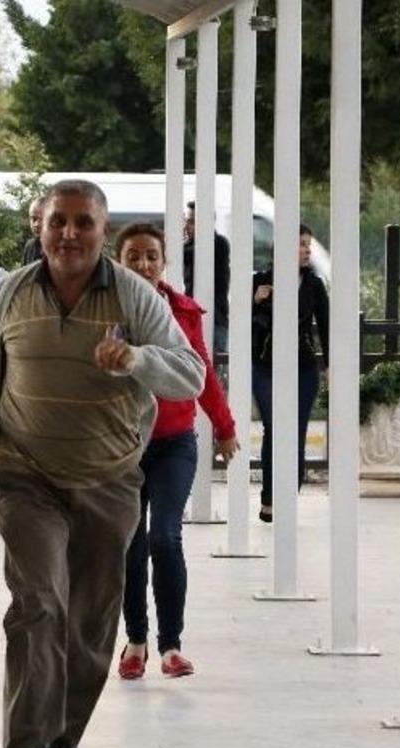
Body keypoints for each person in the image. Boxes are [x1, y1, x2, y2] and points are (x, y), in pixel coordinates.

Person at [0, 180, 205, 748]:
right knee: (39, 604)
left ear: (104, 233)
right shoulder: (10, 293)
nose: (70, 234)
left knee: (89, 620)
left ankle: (63, 739)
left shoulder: (134, 297)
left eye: (83, 223)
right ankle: (27, 747)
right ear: (40, 228)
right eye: (59, 222)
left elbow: (190, 373)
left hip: (108, 480)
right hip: (24, 474)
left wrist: (134, 360)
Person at [114, 223, 239, 681]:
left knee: (165, 536)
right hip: (123, 445)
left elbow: (202, 372)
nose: (143, 265)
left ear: (164, 261)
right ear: (118, 261)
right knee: (130, 543)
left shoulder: (183, 312)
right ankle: (136, 641)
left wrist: (225, 429)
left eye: (151, 256)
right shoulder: (105, 310)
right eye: (133, 257)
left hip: (174, 443)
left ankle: (171, 646)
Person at [251, 223, 330, 523]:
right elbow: (239, 323)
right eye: (301, 244)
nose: (308, 250)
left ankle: (289, 495)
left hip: (303, 366)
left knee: (295, 430)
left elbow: (326, 326)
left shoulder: (314, 285)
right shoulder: (260, 281)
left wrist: (331, 366)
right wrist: (254, 299)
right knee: (275, 427)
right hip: (264, 364)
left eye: (308, 244)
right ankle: (270, 497)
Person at [183, 201, 231, 355]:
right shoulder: (190, 245)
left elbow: (187, 254)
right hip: (193, 319)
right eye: (187, 221)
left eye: (191, 222)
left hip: (215, 321)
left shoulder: (218, 243)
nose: (187, 226)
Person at [22, 195, 45, 264]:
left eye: (42, 219)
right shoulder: (30, 246)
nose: (36, 224)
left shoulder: (62, 247)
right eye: (34, 219)